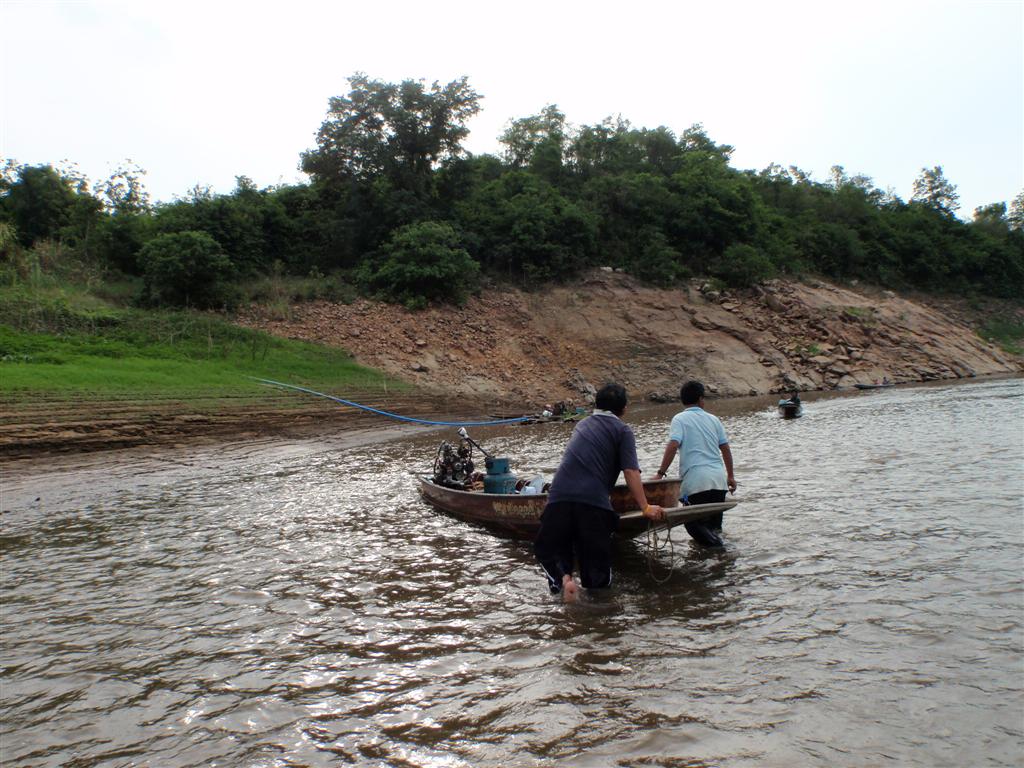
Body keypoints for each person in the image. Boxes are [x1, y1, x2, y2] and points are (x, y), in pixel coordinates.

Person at [534, 382, 665, 602]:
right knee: (597, 571)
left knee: (553, 549)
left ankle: (565, 580)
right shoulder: (622, 430)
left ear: (596, 405)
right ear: (624, 409)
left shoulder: (582, 425)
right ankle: (599, 618)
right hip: (592, 503)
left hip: (557, 499)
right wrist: (645, 507)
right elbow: (631, 471)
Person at [654, 380, 736, 548]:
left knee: (692, 524)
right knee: (714, 527)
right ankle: (720, 563)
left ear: (683, 400)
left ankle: (718, 551)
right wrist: (731, 476)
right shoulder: (714, 419)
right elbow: (726, 449)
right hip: (718, 481)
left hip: (696, 482)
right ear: (701, 399)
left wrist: (661, 473)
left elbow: (673, 445)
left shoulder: (679, 419)